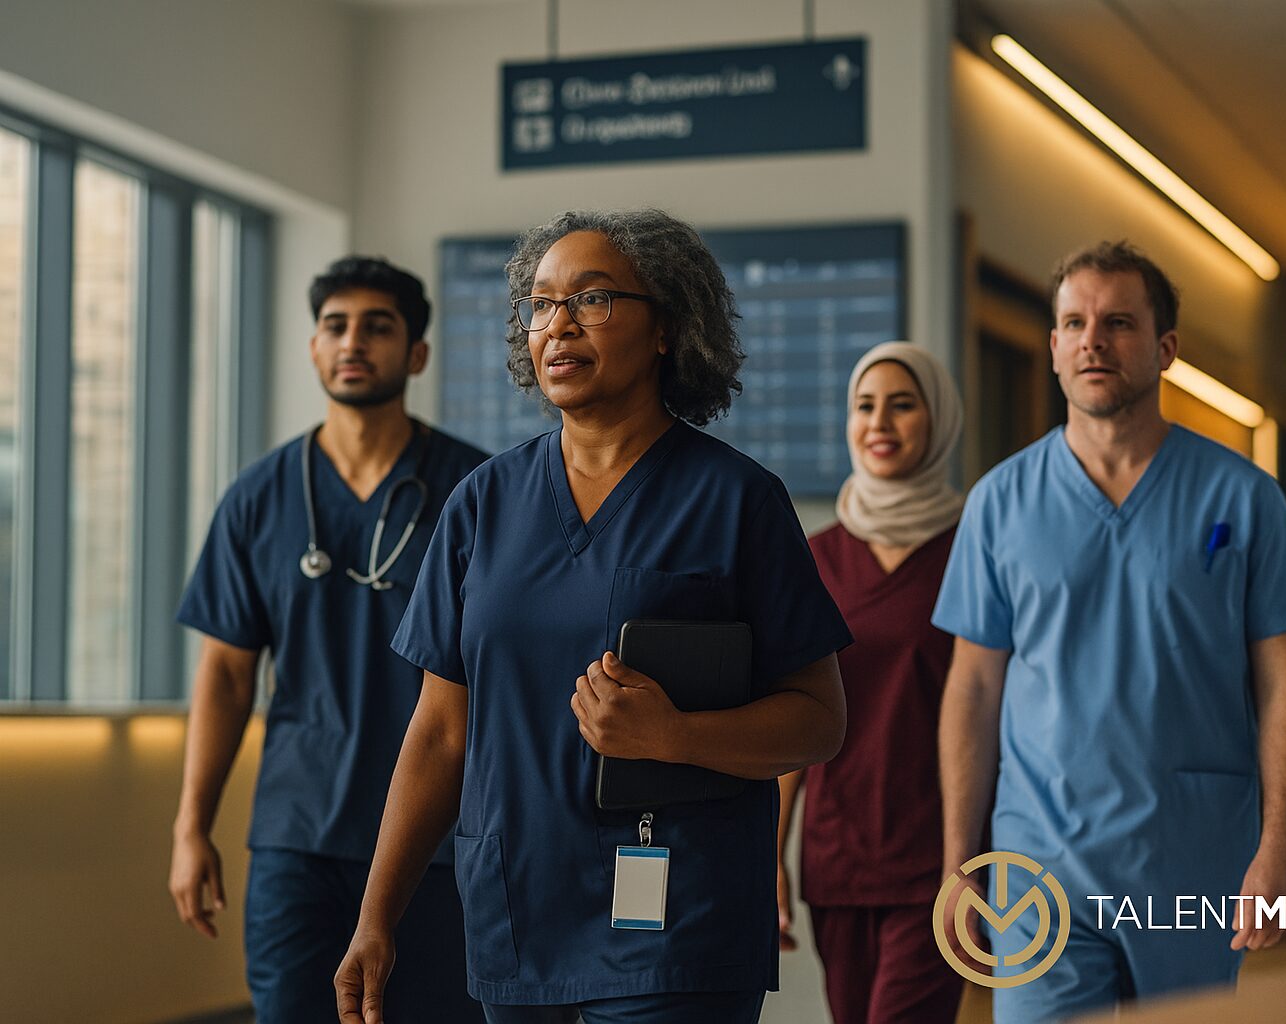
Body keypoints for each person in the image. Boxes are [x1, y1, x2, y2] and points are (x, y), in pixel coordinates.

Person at [334, 209, 852, 1024]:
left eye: (594, 299)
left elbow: (819, 721)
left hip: (680, 918)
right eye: (540, 305)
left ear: (666, 330)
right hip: (518, 909)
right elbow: (439, 732)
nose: (558, 325)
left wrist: (678, 737)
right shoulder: (482, 505)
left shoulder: (737, 501)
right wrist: (375, 917)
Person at [932, 241, 1286, 1021]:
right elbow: (973, 687)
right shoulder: (999, 503)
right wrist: (958, 859)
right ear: (1052, 347)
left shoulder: (1242, 497)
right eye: (1074, 323)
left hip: (1192, 857)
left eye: (1118, 322)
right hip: (1038, 862)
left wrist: (1280, 846)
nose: (1093, 341)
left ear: (1165, 348)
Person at [169, 256, 488, 1022]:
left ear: (416, 354)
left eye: (378, 327)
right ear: (313, 349)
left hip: (441, 839)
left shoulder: (475, 492)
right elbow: (224, 677)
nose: (353, 342)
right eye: (335, 327)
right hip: (298, 838)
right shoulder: (258, 498)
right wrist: (191, 826)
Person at [776, 341, 968, 1024]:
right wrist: (773, 856)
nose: (880, 422)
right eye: (865, 406)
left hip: (940, 858)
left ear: (939, 419)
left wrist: (978, 863)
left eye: (903, 404)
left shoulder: (976, 548)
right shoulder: (815, 557)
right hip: (838, 856)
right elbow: (790, 718)